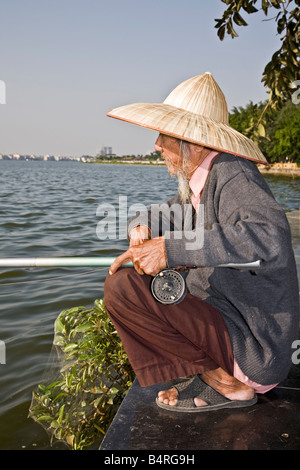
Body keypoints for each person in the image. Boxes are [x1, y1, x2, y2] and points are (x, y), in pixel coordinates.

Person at [104, 73, 299, 412]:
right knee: (130, 281)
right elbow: (159, 214)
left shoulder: (233, 173)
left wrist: (169, 250)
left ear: (193, 142)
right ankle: (215, 372)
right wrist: (141, 230)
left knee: (124, 289)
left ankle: (228, 381)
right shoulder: (198, 184)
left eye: (164, 135)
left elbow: (270, 238)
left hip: (257, 347)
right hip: (233, 323)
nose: (156, 145)